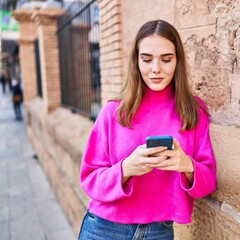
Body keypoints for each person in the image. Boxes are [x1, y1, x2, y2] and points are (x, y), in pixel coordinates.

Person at [78, 19, 216, 240]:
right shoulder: (113, 112)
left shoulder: (194, 111)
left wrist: (187, 165)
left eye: (166, 59)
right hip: (104, 228)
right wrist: (125, 169)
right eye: (147, 59)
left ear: (177, 61)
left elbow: (207, 182)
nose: (156, 69)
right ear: (136, 61)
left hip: (159, 232)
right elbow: (89, 179)